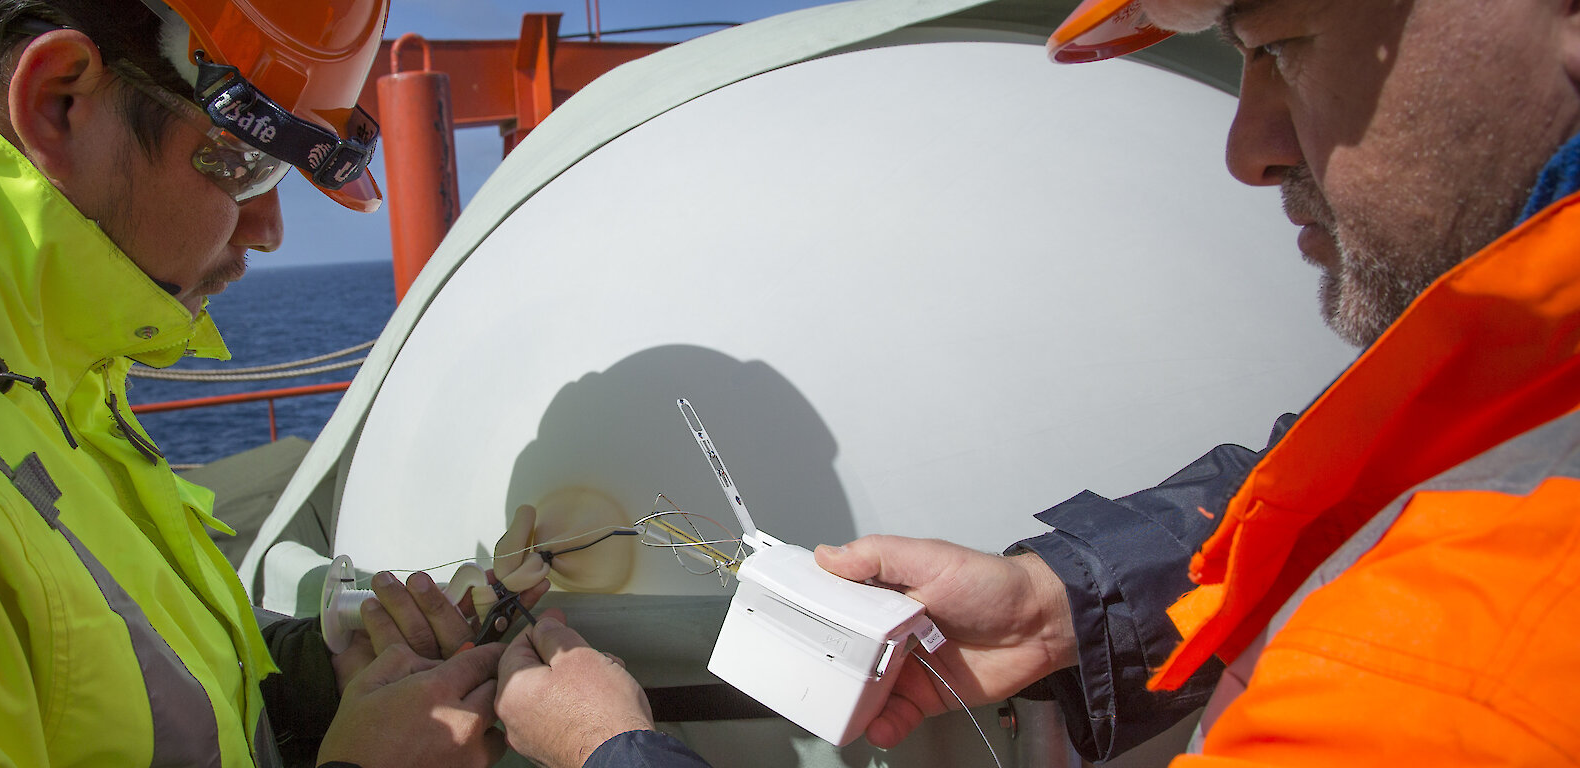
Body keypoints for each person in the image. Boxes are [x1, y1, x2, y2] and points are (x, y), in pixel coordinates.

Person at [495, 0, 1580, 764]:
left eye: (1287, 44)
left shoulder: (1442, 679)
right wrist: (1062, 605)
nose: (1245, 146)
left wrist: (616, 753)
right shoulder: (1519, 393)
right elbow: (1361, 494)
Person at [0, 0, 530, 765]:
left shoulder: (12, 363)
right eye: (248, 161)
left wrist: (317, 687)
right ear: (57, 101)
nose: (267, 229)